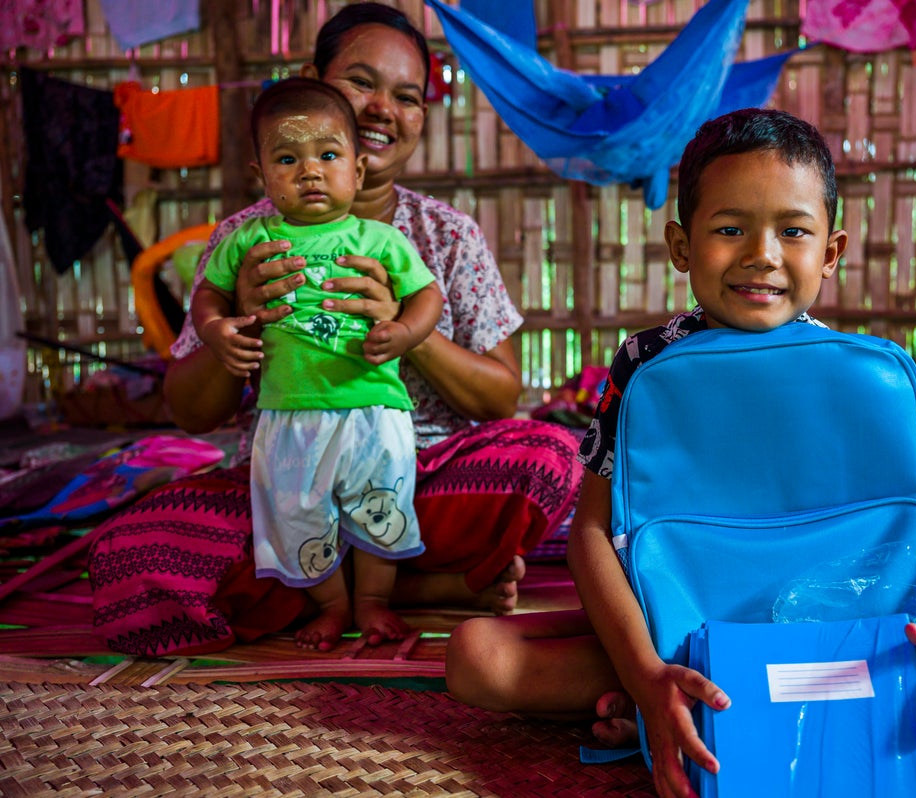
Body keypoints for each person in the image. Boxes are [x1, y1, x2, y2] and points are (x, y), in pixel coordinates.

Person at [445, 108, 916, 798]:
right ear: (682, 245)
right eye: (730, 229)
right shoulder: (644, 364)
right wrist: (645, 671)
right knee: (476, 657)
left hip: (855, 645)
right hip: (692, 638)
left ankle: (693, 725)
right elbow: (593, 534)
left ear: (831, 252)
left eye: (793, 230)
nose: (763, 254)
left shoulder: (876, 375)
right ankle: (687, 708)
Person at [88, 3, 582, 656]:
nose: (382, 109)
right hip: (284, 475)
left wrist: (406, 329)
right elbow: (191, 411)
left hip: (417, 477)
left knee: (552, 457)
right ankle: (409, 588)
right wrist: (238, 325)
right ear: (310, 81)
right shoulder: (248, 239)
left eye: (407, 96)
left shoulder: (445, 236)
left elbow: (499, 399)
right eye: (361, 81)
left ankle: (346, 586)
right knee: (130, 556)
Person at [192, 77, 443, 650]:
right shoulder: (248, 239)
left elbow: (427, 296)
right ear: (261, 175)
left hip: (375, 410)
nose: (309, 171)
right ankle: (331, 605)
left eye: (328, 155)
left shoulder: (380, 239)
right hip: (287, 414)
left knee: (383, 503)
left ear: (357, 169)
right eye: (287, 159)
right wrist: (214, 328)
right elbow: (208, 293)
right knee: (295, 514)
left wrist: (405, 331)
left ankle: (373, 602)